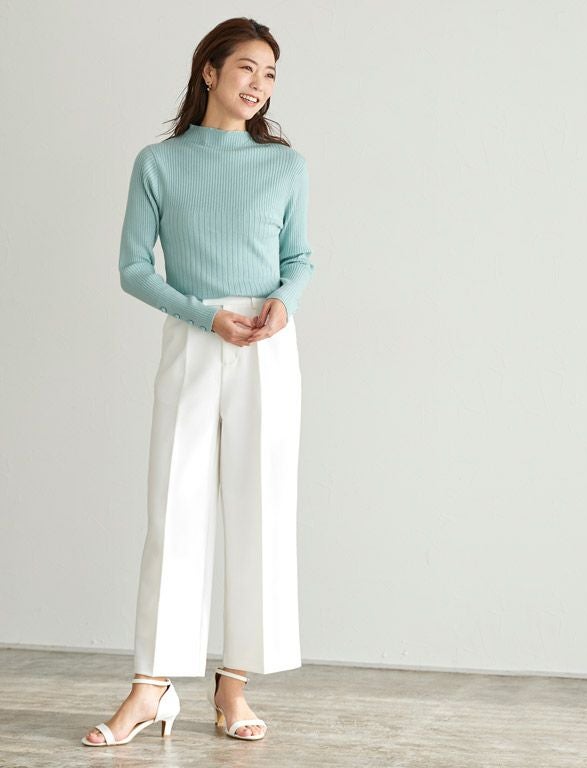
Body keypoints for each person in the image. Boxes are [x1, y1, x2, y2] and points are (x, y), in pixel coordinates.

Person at [82, 16, 314, 746]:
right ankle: (151, 688)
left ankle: (233, 685)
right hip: (194, 336)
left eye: (270, 74)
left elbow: (300, 258)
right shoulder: (158, 163)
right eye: (247, 67)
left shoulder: (284, 166)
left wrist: (282, 304)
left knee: (261, 508)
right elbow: (133, 268)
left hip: (267, 345)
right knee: (173, 509)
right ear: (209, 71)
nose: (259, 84)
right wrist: (204, 316)